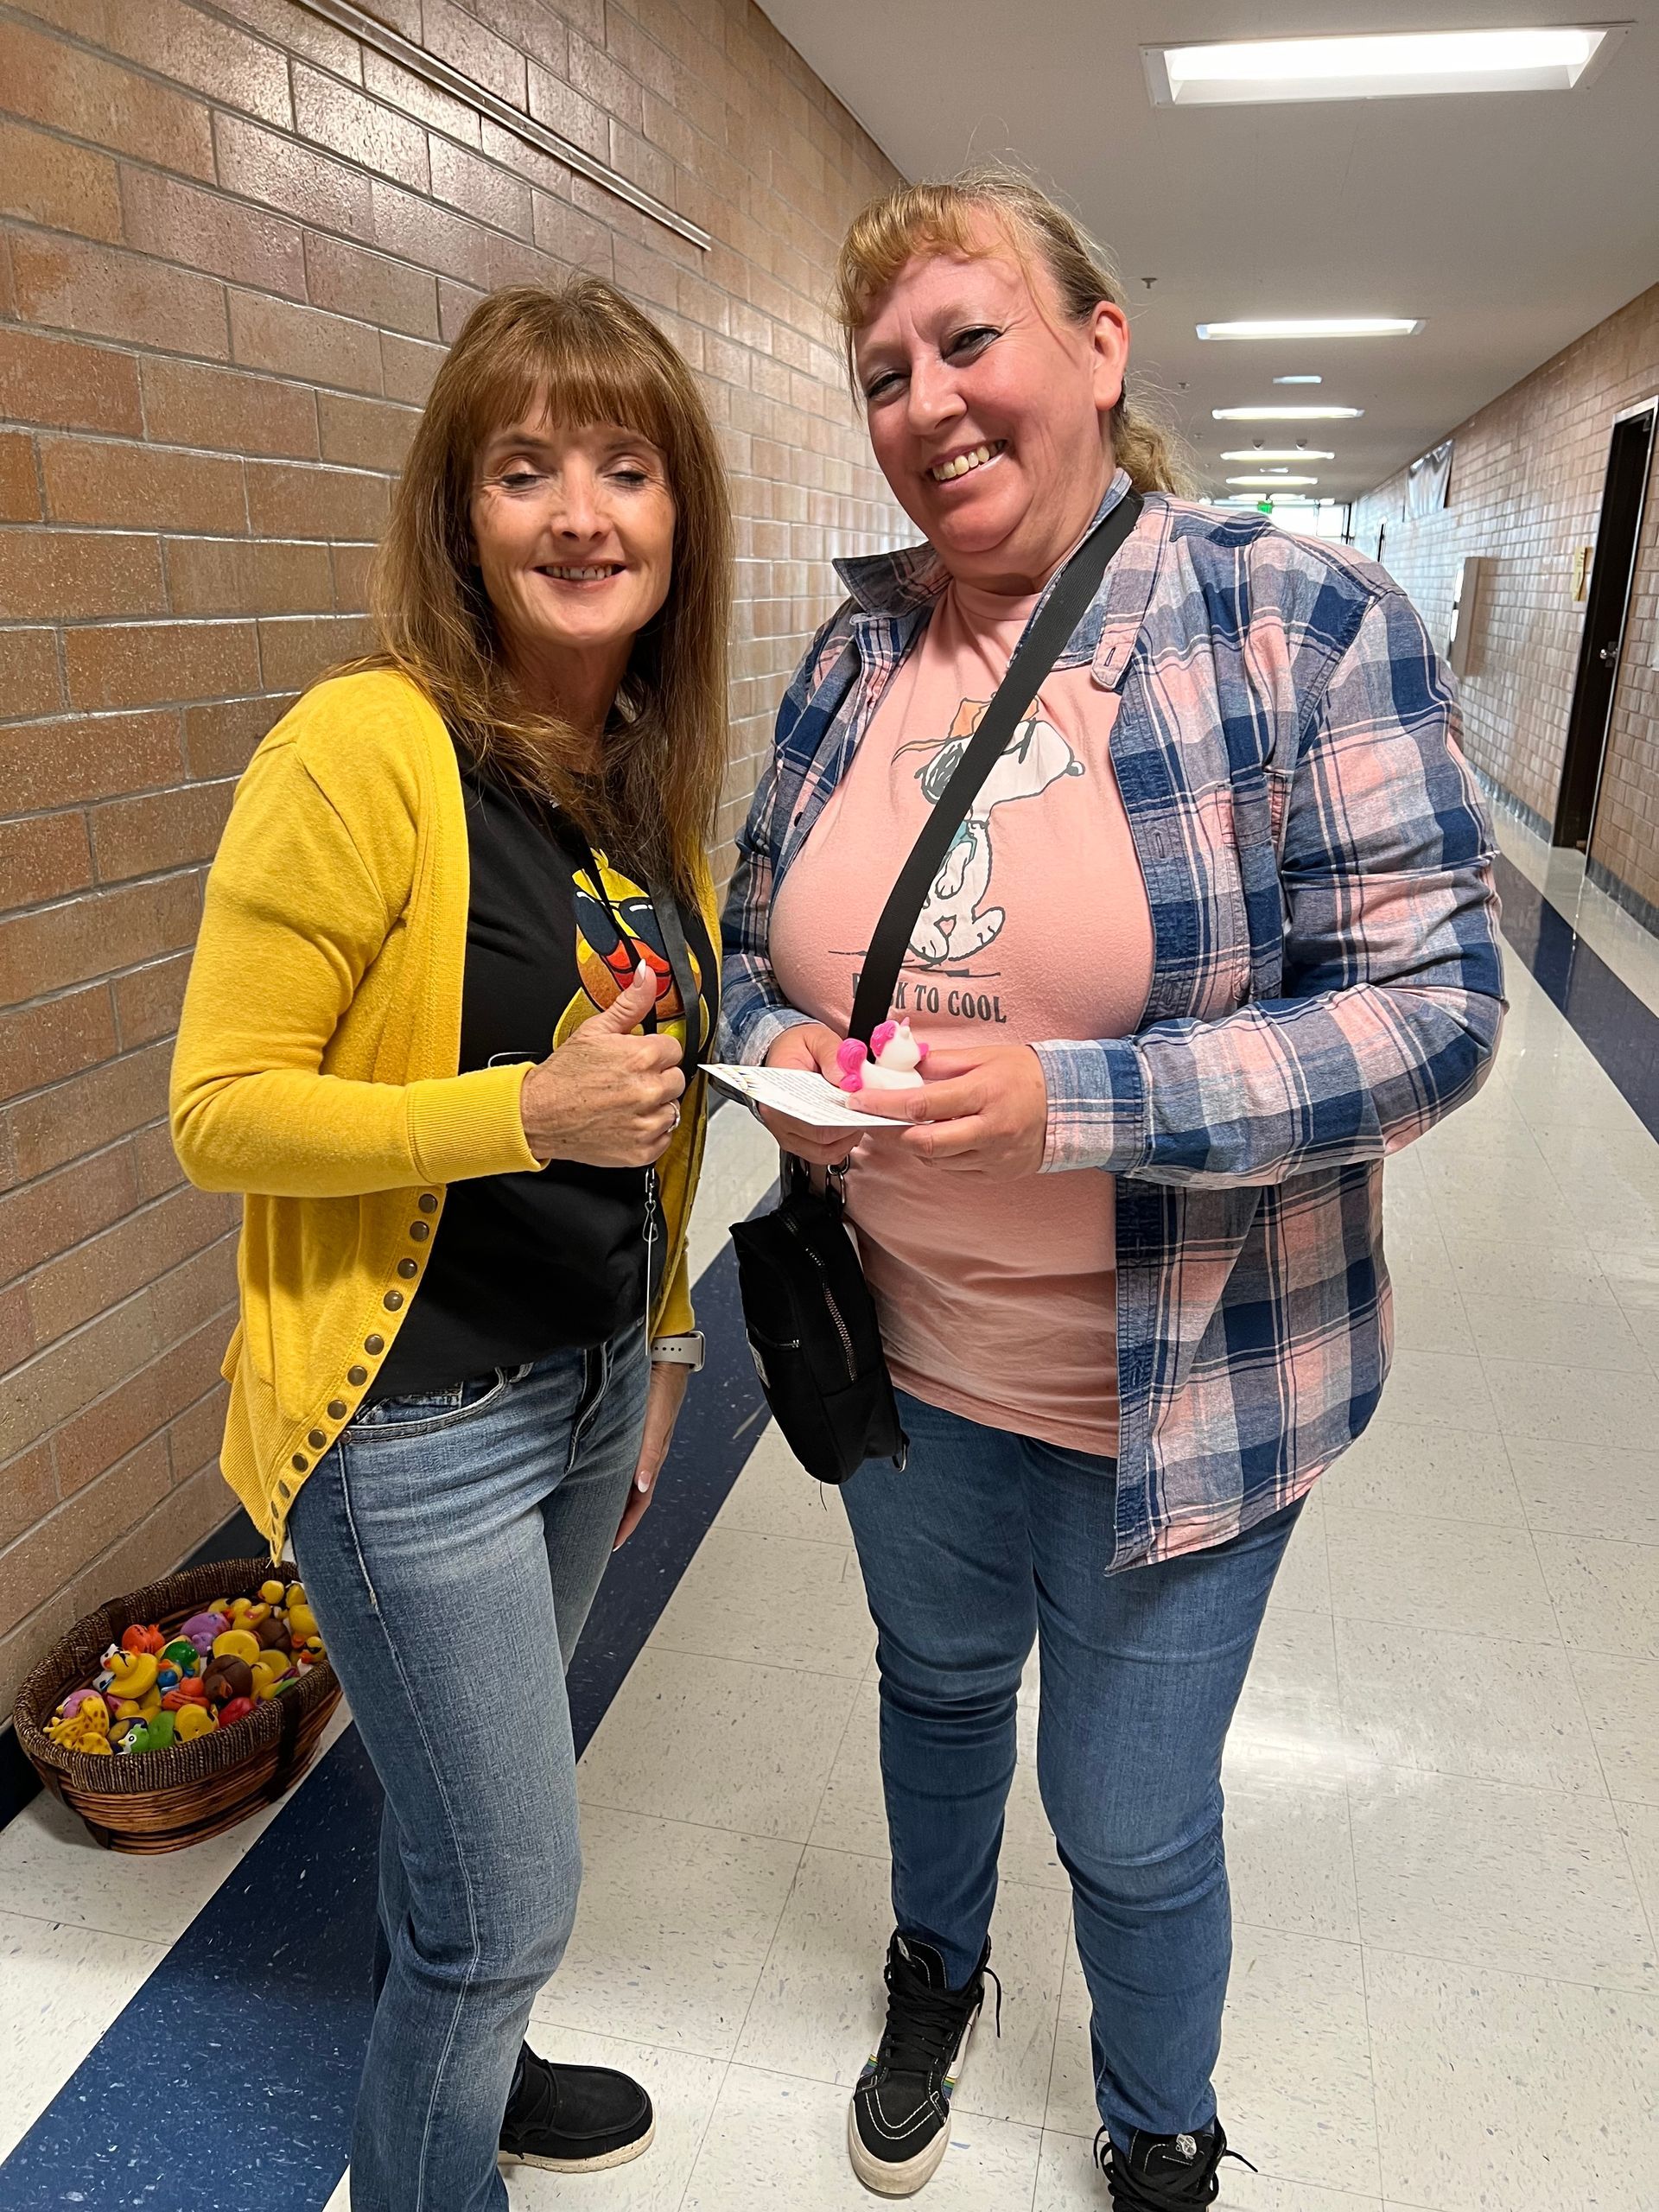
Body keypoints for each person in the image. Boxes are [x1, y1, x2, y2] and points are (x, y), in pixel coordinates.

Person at [721, 168, 1503, 2210]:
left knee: (1132, 1813)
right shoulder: (845, 655)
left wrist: (1083, 1100)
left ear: (1095, 347)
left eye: (970, 340)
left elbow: (1434, 1007)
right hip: (904, 1357)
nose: (929, 400)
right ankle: (936, 1962)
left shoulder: (1293, 618)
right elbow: (747, 937)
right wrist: (784, 1050)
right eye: (885, 369)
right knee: (936, 1686)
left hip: (1187, 1391)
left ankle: (1159, 2112)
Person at [171, 279, 731, 2212]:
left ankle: (479, 2059)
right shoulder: (366, 746)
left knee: (465, 1821)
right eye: (526, 467)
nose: (581, 511)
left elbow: (654, 1104)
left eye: (624, 465)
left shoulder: (639, 778)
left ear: (680, 518)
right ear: (461, 514)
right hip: (409, 1431)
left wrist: (657, 1350)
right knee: (511, 1891)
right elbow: (218, 1106)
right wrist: (518, 1112)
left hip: (578, 1399)